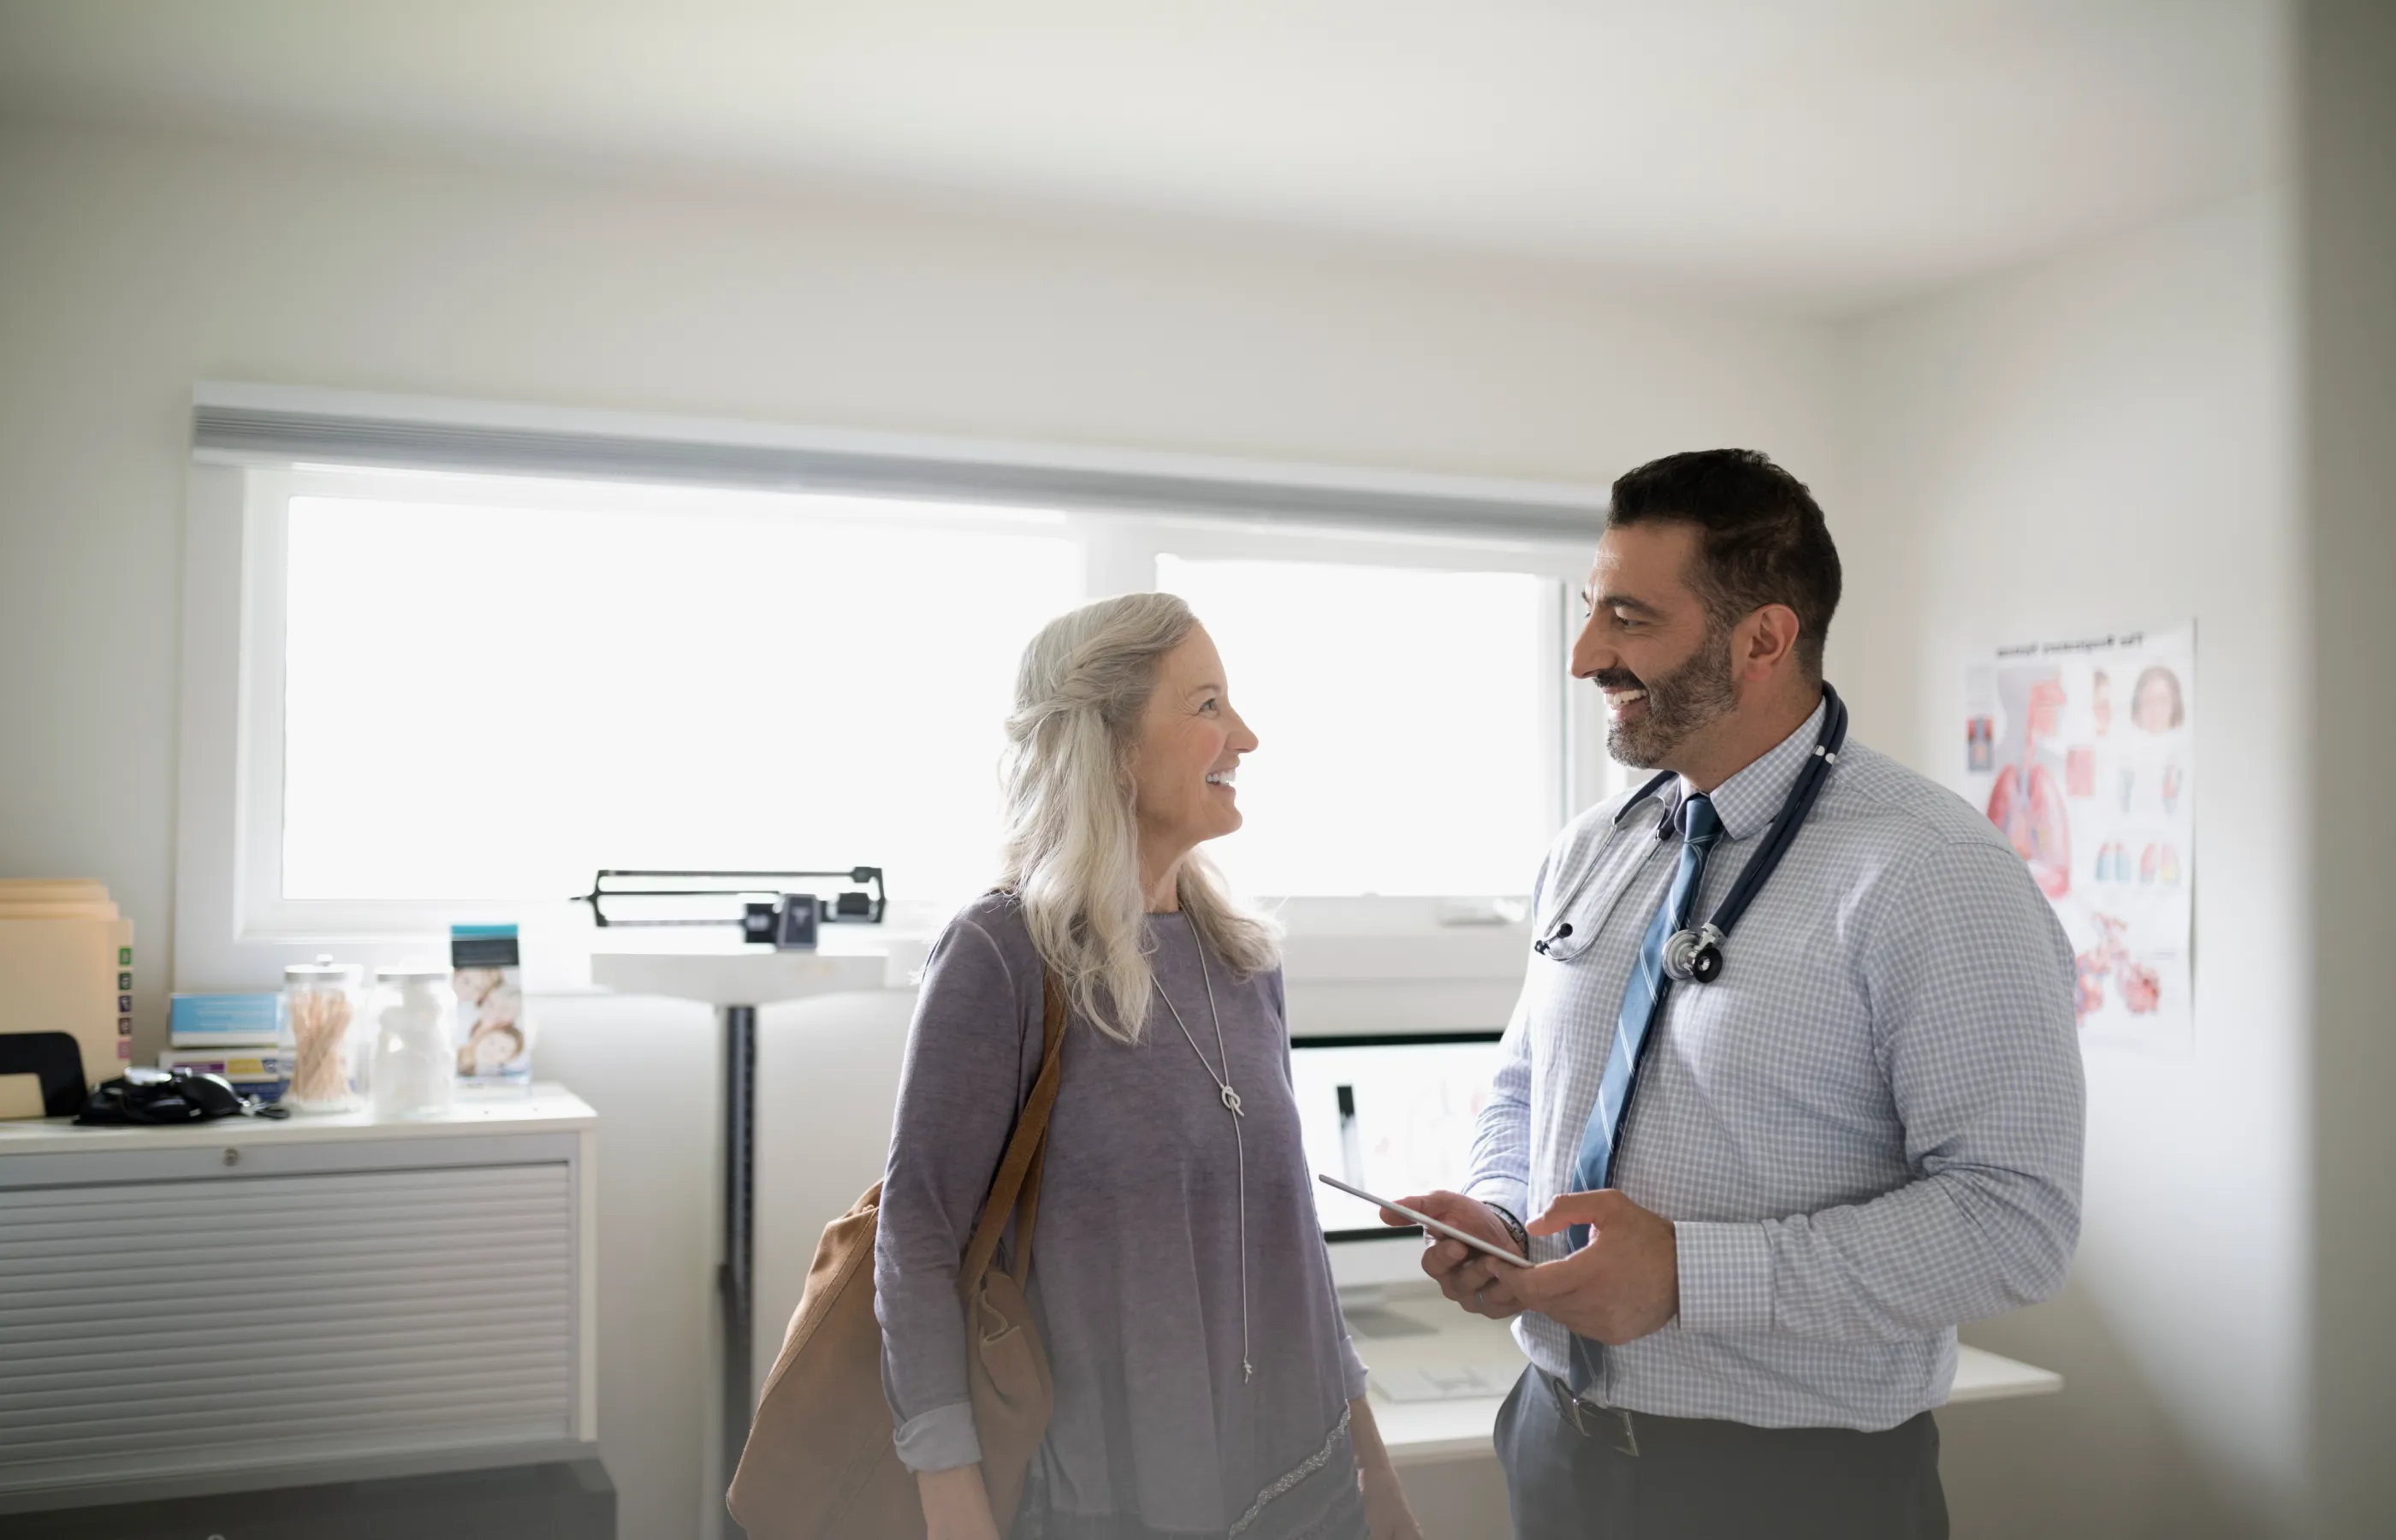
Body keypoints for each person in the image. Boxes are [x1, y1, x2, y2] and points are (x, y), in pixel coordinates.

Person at [1390, 450, 2085, 1539]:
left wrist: (1689, 1276)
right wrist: (1504, 1216)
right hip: (1554, 1444)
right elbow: (1526, 1085)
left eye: (1628, 619)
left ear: (1762, 638)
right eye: (1589, 612)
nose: (1585, 658)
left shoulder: (1931, 871)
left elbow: (2014, 1221)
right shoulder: (1593, 848)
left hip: (1790, 1487)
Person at [877, 593, 1423, 1540]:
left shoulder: (1242, 956)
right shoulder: (1004, 952)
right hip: (1114, 1507)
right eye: (1207, 705)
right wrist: (953, 1511)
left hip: (1311, 1488)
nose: (1244, 736)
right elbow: (916, 1245)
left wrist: (1378, 1489)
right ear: (1111, 743)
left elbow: (1291, 1251)